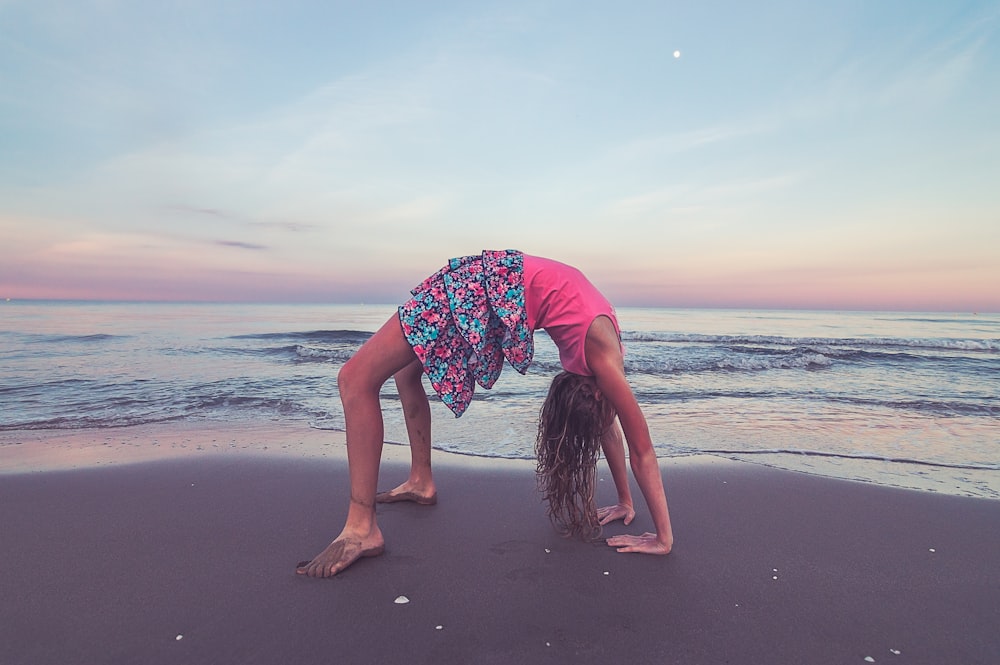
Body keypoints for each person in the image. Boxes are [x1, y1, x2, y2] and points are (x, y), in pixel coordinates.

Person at [296, 250, 674, 578]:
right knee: (356, 380)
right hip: (486, 285)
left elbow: (609, 425)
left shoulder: (602, 364)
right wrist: (663, 538)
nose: (602, 424)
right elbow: (642, 450)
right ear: (599, 391)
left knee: (399, 372)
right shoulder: (602, 360)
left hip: (494, 281)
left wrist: (626, 501)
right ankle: (371, 518)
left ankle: (406, 493)